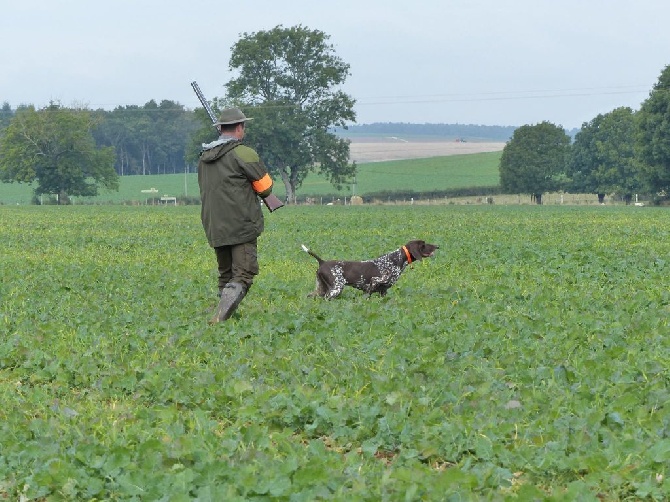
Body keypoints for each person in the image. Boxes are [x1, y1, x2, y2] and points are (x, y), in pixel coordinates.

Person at [197, 107, 275, 322]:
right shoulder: (243, 153)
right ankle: (221, 317)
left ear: (220, 128)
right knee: (243, 273)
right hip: (241, 224)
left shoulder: (204, 157)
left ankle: (222, 317)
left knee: (226, 274)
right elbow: (266, 188)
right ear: (240, 127)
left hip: (214, 225)